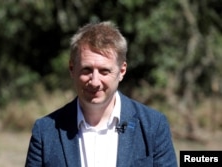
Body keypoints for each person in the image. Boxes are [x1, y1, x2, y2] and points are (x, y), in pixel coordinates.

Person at [25, 21, 177, 167]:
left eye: (104, 71)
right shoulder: (45, 131)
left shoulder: (154, 126)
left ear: (122, 71)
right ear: (72, 68)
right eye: (87, 70)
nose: (95, 81)